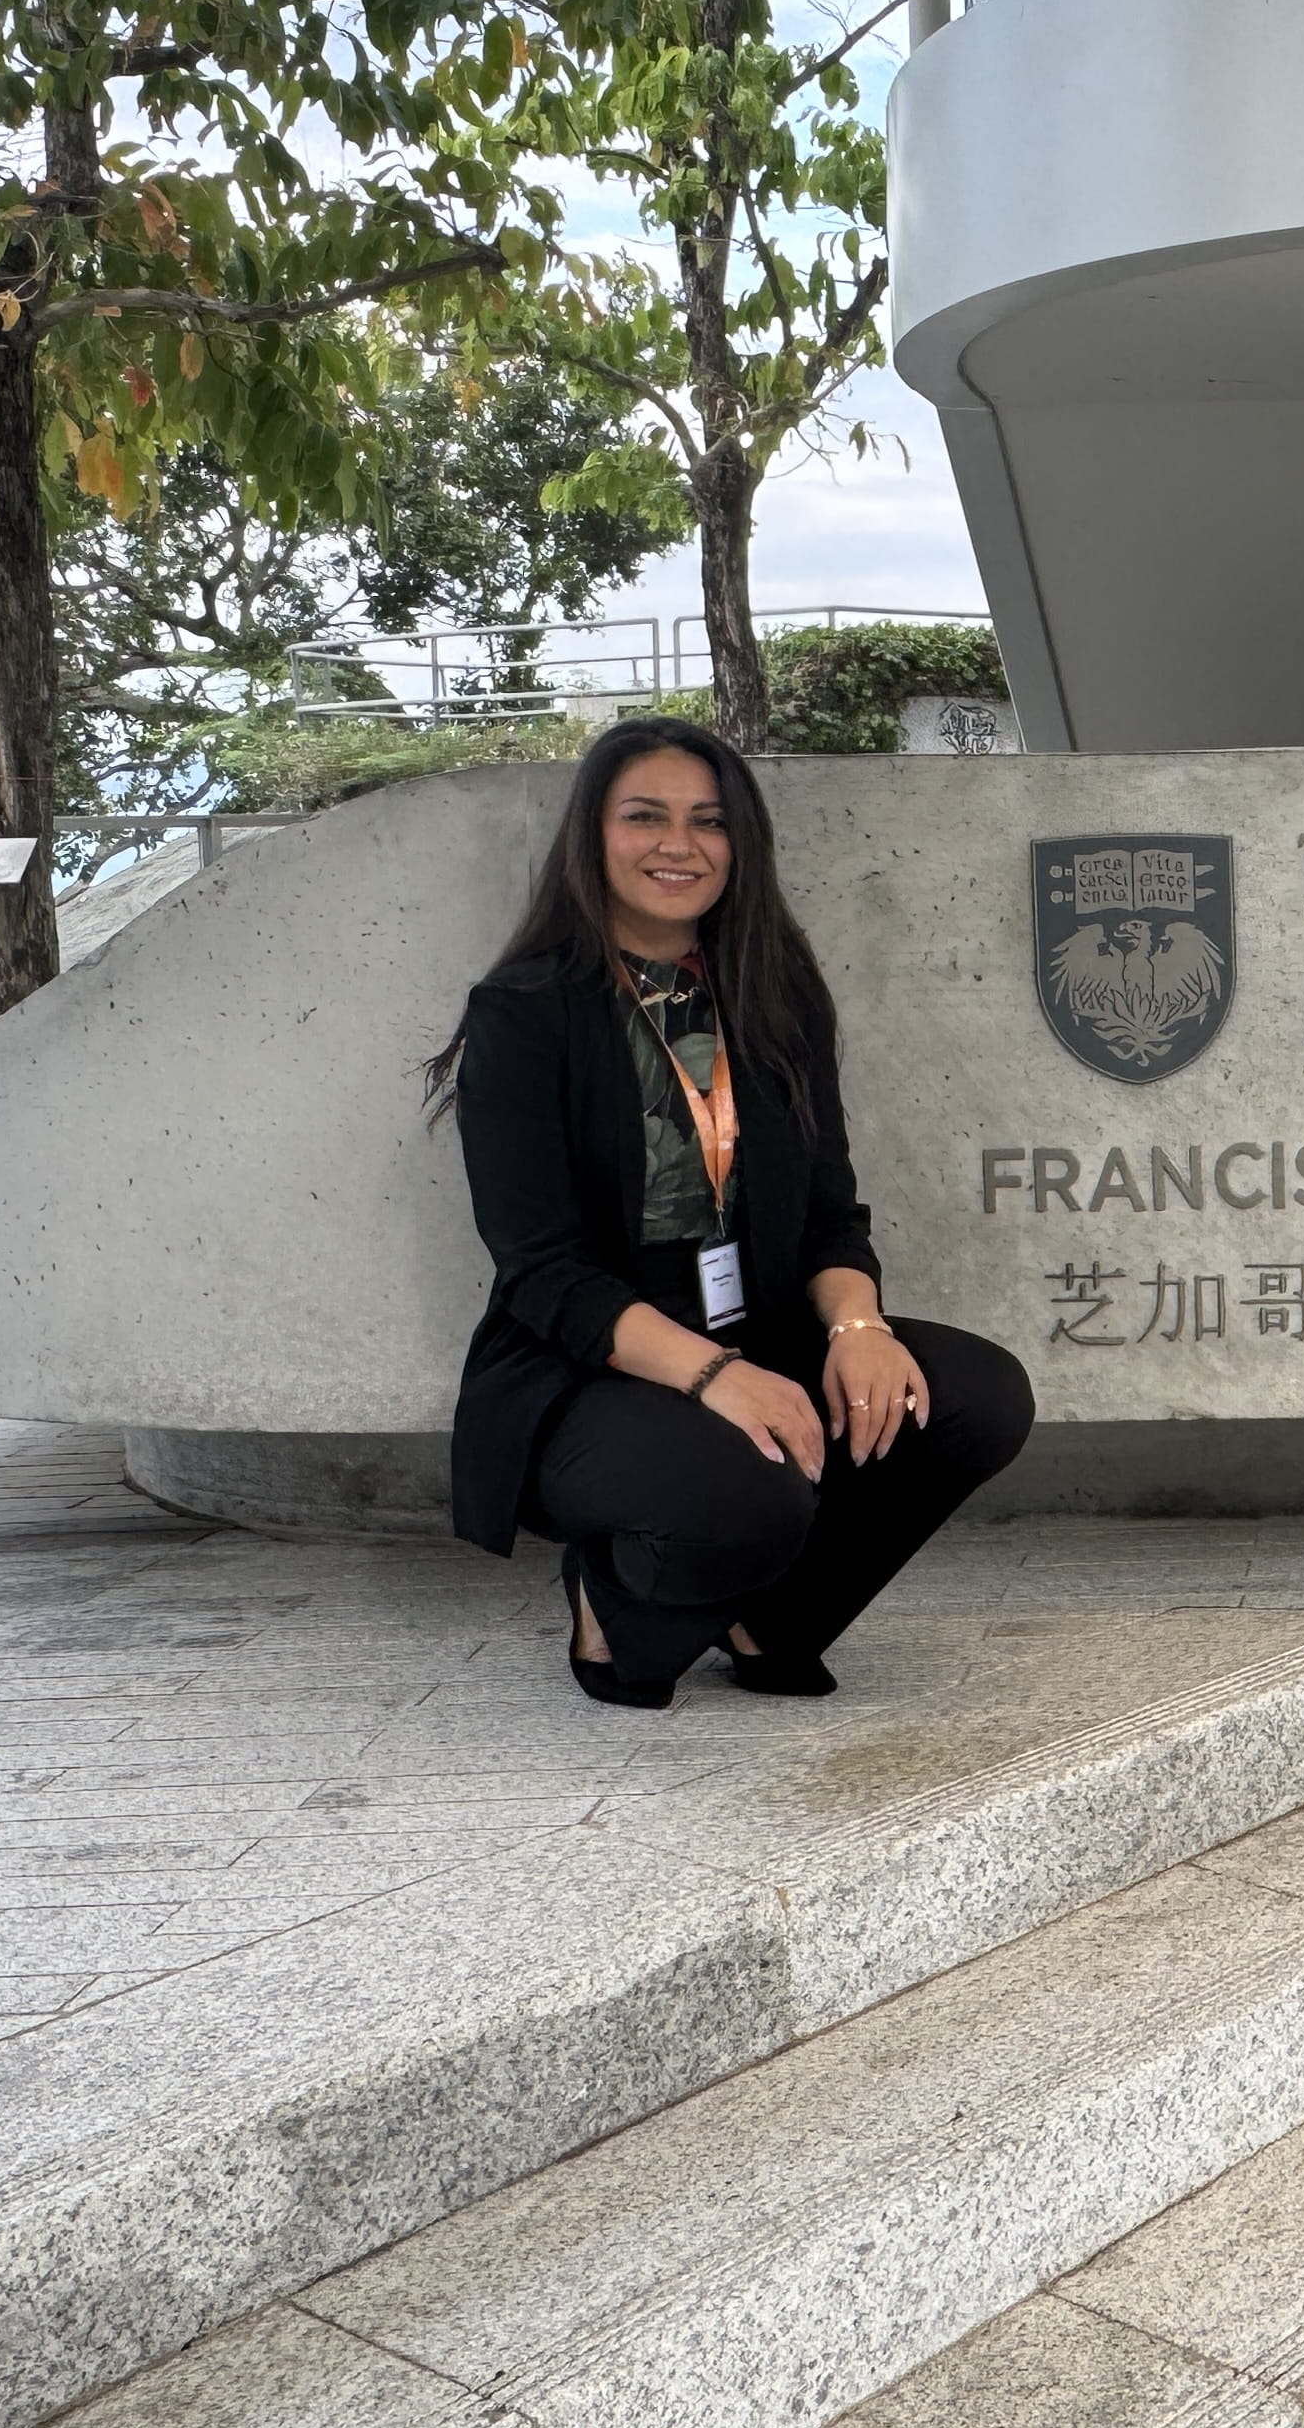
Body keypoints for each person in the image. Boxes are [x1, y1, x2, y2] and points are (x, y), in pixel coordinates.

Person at [433, 715, 1033, 1707]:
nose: (679, 844)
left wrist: (858, 1325)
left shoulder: (775, 993)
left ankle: (768, 1619)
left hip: (756, 1322)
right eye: (646, 817)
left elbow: (831, 1206)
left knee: (971, 1396)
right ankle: (610, 1605)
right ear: (593, 835)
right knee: (748, 1493)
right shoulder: (526, 1011)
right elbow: (542, 1270)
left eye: (708, 821)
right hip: (592, 1361)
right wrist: (716, 1378)